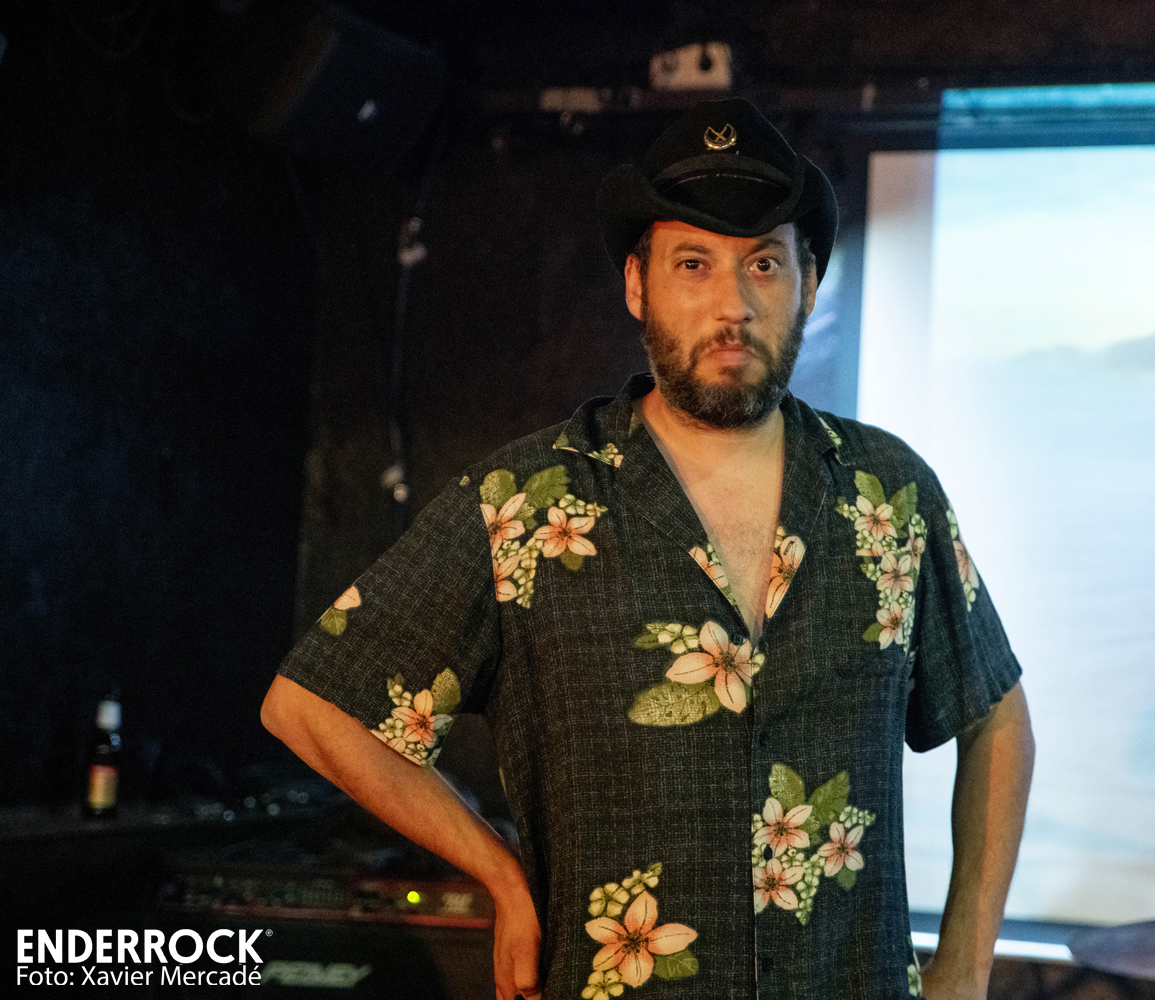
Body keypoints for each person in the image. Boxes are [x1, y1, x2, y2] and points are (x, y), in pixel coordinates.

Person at [262, 97, 1033, 1000]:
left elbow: (996, 718)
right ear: (637, 285)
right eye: (693, 264)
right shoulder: (526, 506)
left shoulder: (889, 494)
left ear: (809, 283)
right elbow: (313, 706)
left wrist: (966, 963)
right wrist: (498, 868)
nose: (732, 305)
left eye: (764, 264)